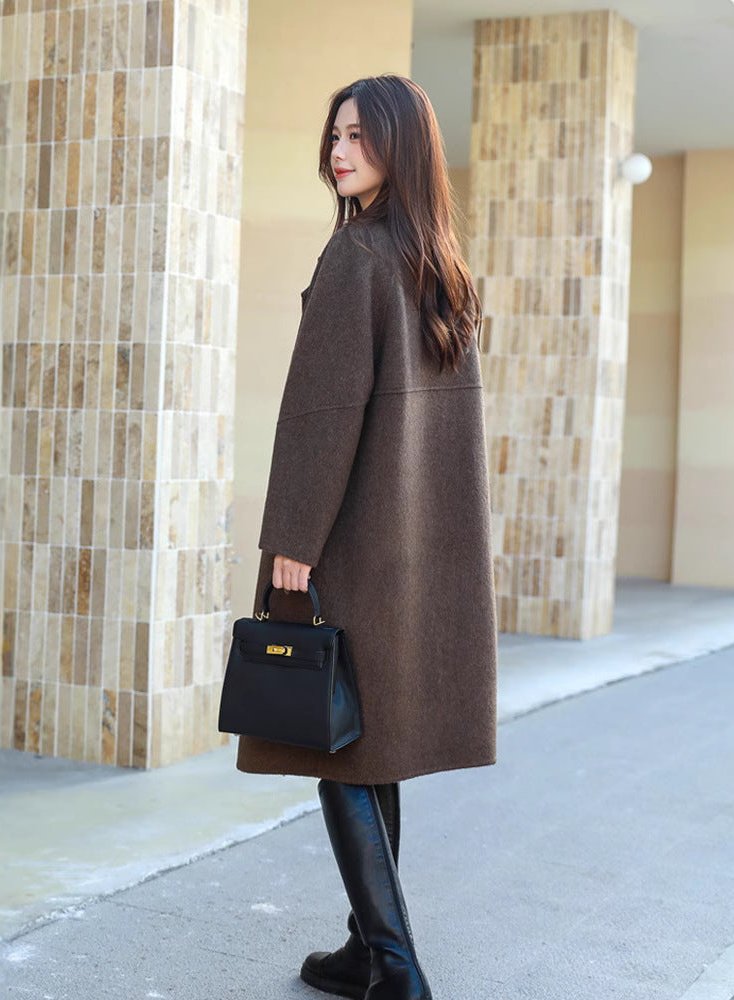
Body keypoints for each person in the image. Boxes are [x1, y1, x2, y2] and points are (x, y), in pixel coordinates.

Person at [237, 74, 497, 1000]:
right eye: (335, 135)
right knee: (372, 743)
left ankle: (395, 966)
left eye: (360, 136)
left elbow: (323, 413)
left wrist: (292, 538)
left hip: (349, 540)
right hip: (414, 551)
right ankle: (366, 948)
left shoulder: (357, 256)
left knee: (336, 747)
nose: (339, 151)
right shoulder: (438, 265)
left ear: (402, 147)